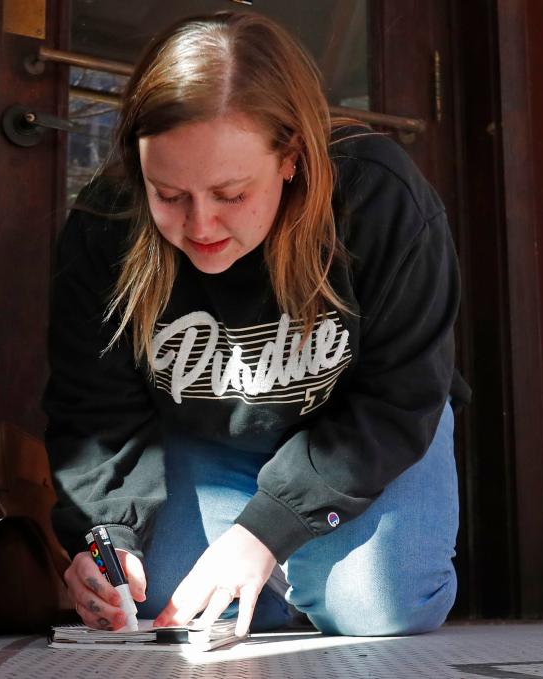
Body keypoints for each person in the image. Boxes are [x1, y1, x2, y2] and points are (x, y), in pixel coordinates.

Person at [43, 11, 469, 638]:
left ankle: (304, 570)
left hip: (368, 431)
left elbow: (400, 396)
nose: (200, 226)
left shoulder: (380, 198)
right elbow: (93, 411)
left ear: (292, 157)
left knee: (377, 604)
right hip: (207, 439)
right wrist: (110, 537)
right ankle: (297, 574)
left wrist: (265, 531)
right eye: (168, 194)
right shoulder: (104, 227)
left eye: (231, 194)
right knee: (164, 604)